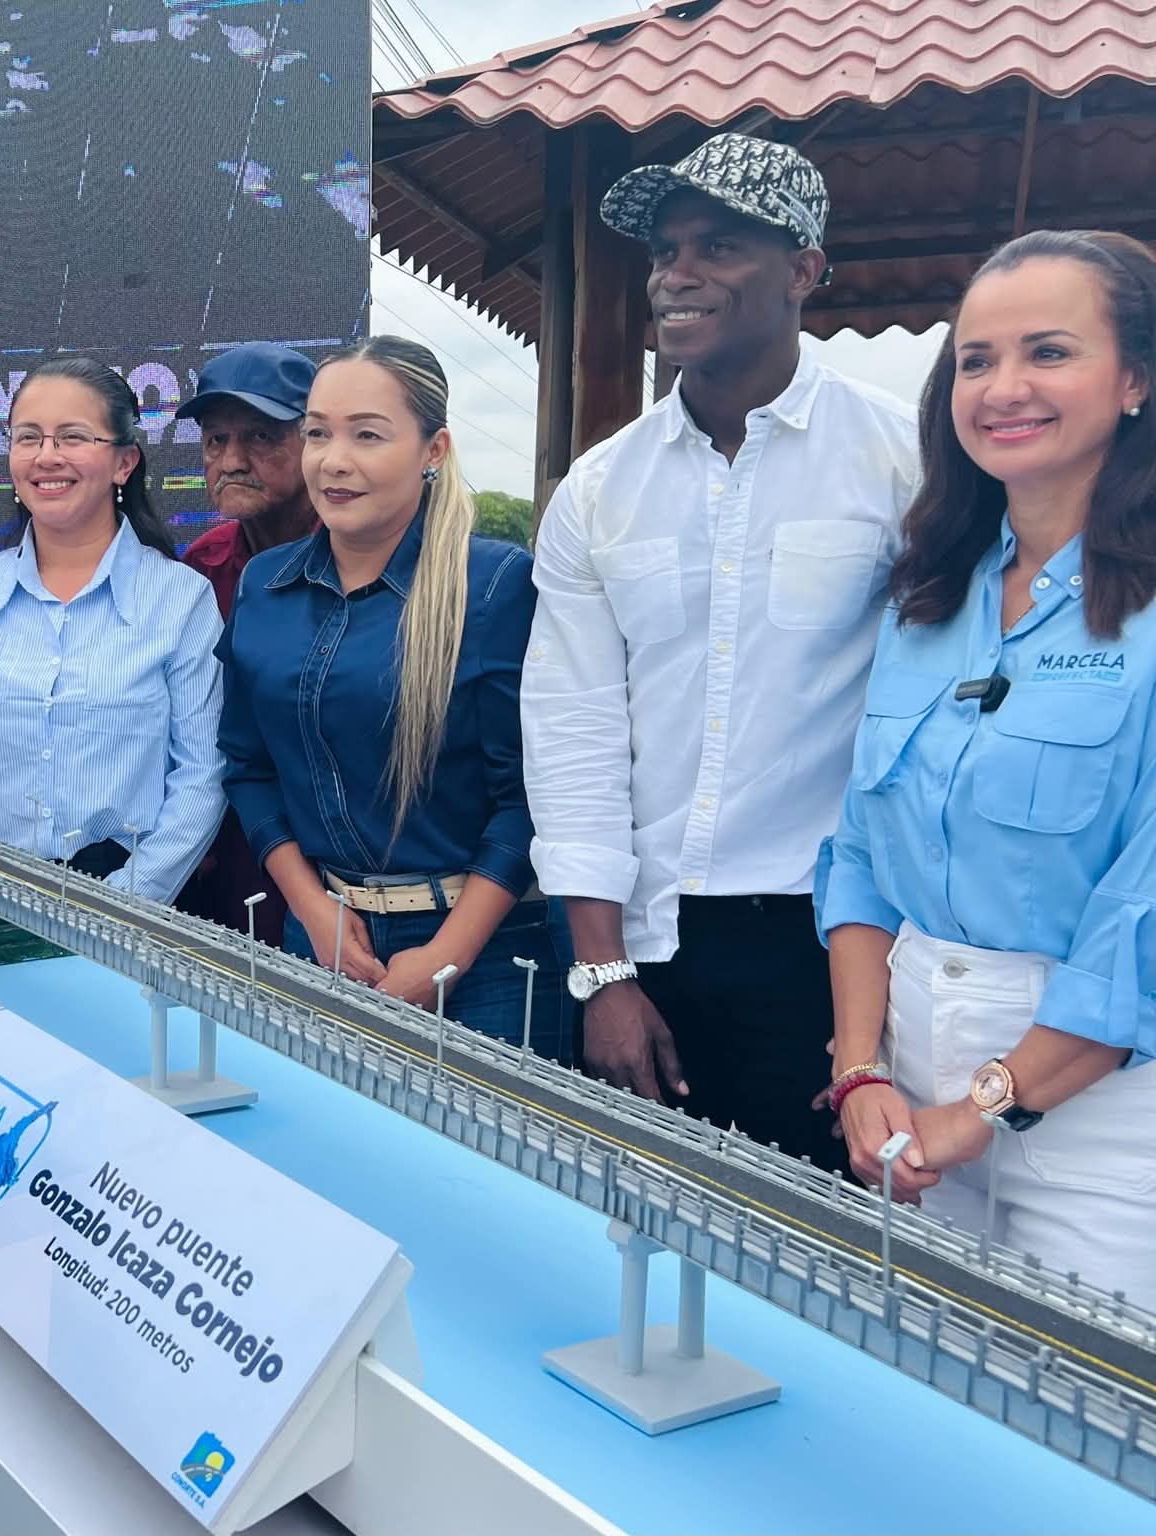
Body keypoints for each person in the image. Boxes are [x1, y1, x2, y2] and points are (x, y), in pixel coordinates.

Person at [816, 230, 1156, 1337]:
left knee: (1107, 1433)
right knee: (920, 1408)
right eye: (975, 360)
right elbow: (859, 859)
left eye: (1049, 352)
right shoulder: (927, 598)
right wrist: (859, 1070)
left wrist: (985, 1104)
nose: (1003, 387)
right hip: (910, 1093)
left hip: (1113, 1112)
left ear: (1135, 382)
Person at [523, 134, 919, 1152]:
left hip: (832, 939)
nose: (676, 275)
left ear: (802, 271)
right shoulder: (598, 489)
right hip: (647, 939)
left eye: (718, 246)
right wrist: (603, 973)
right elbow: (572, 733)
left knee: (823, 1232)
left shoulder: (903, 462)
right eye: (664, 251)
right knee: (642, 1225)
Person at [219, 336, 567, 1056]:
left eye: (367, 435)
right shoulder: (264, 585)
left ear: (433, 449)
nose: (332, 460)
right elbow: (249, 769)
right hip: (323, 942)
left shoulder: (495, 586)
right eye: (318, 433)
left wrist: (446, 956)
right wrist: (313, 910)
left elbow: (529, 800)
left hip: (488, 962)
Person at [0, 359, 222, 903]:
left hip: (130, 907)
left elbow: (202, 772)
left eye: (72, 437)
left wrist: (124, 904)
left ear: (124, 462)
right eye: (28, 437)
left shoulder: (181, 600)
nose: (46, 456)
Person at [173, 342, 320, 944]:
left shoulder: (362, 557)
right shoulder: (201, 567)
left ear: (313, 441)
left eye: (261, 436)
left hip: (342, 862)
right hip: (223, 854)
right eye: (216, 440)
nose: (232, 460)